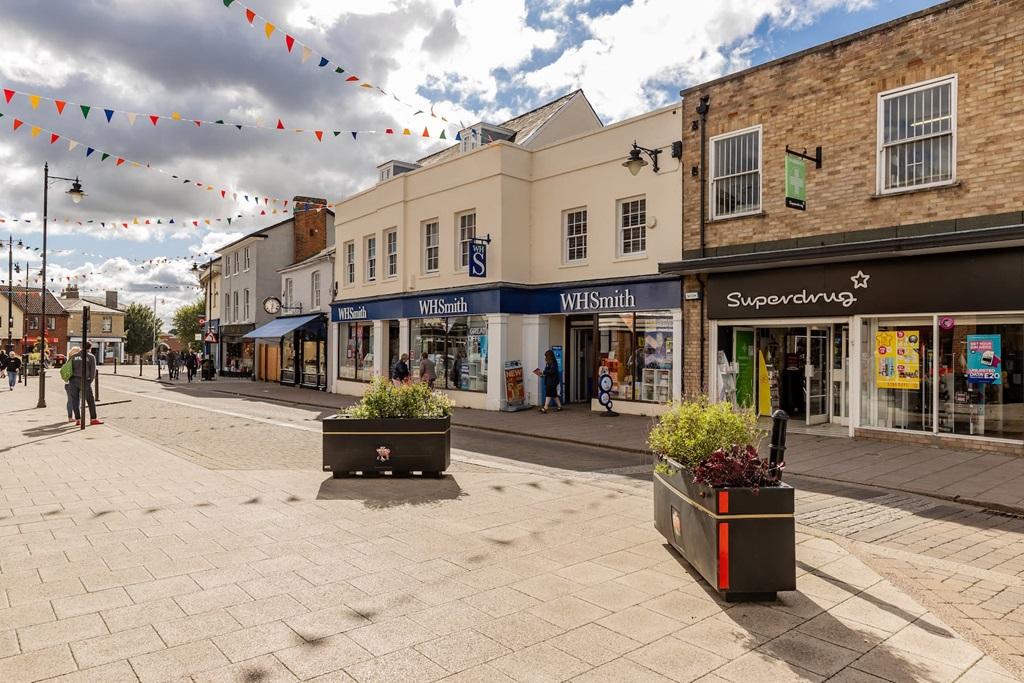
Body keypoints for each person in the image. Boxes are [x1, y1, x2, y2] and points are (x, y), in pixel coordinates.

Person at [69, 343, 102, 426]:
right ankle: (93, 419)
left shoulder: (74, 356)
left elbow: (69, 368)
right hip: (84, 380)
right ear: (90, 348)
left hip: (73, 380)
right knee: (90, 400)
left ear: (81, 347)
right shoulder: (91, 357)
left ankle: (78, 419)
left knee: (75, 400)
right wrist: (89, 381)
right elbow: (93, 372)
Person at [539, 349, 562, 413]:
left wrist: (544, 372)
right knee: (554, 395)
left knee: (548, 394)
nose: (545, 357)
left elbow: (552, 371)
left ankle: (545, 408)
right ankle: (559, 406)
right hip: (550, 380)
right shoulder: (550, 363)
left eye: (546, 356)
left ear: (549, 356)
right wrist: (543, 374)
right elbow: (549, 371)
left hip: (552, 381)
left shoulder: (553, 363)